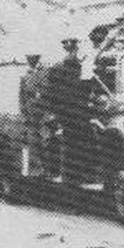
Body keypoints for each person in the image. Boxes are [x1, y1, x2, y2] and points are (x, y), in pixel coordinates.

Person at [44, 36, 93, 181]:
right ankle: (69, 177)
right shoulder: (59, 71)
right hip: (70, 116)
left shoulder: (63, 72)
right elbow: (52, 95)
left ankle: (71, 177)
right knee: (70, 146)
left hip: (72, 115)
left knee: (73, 147)